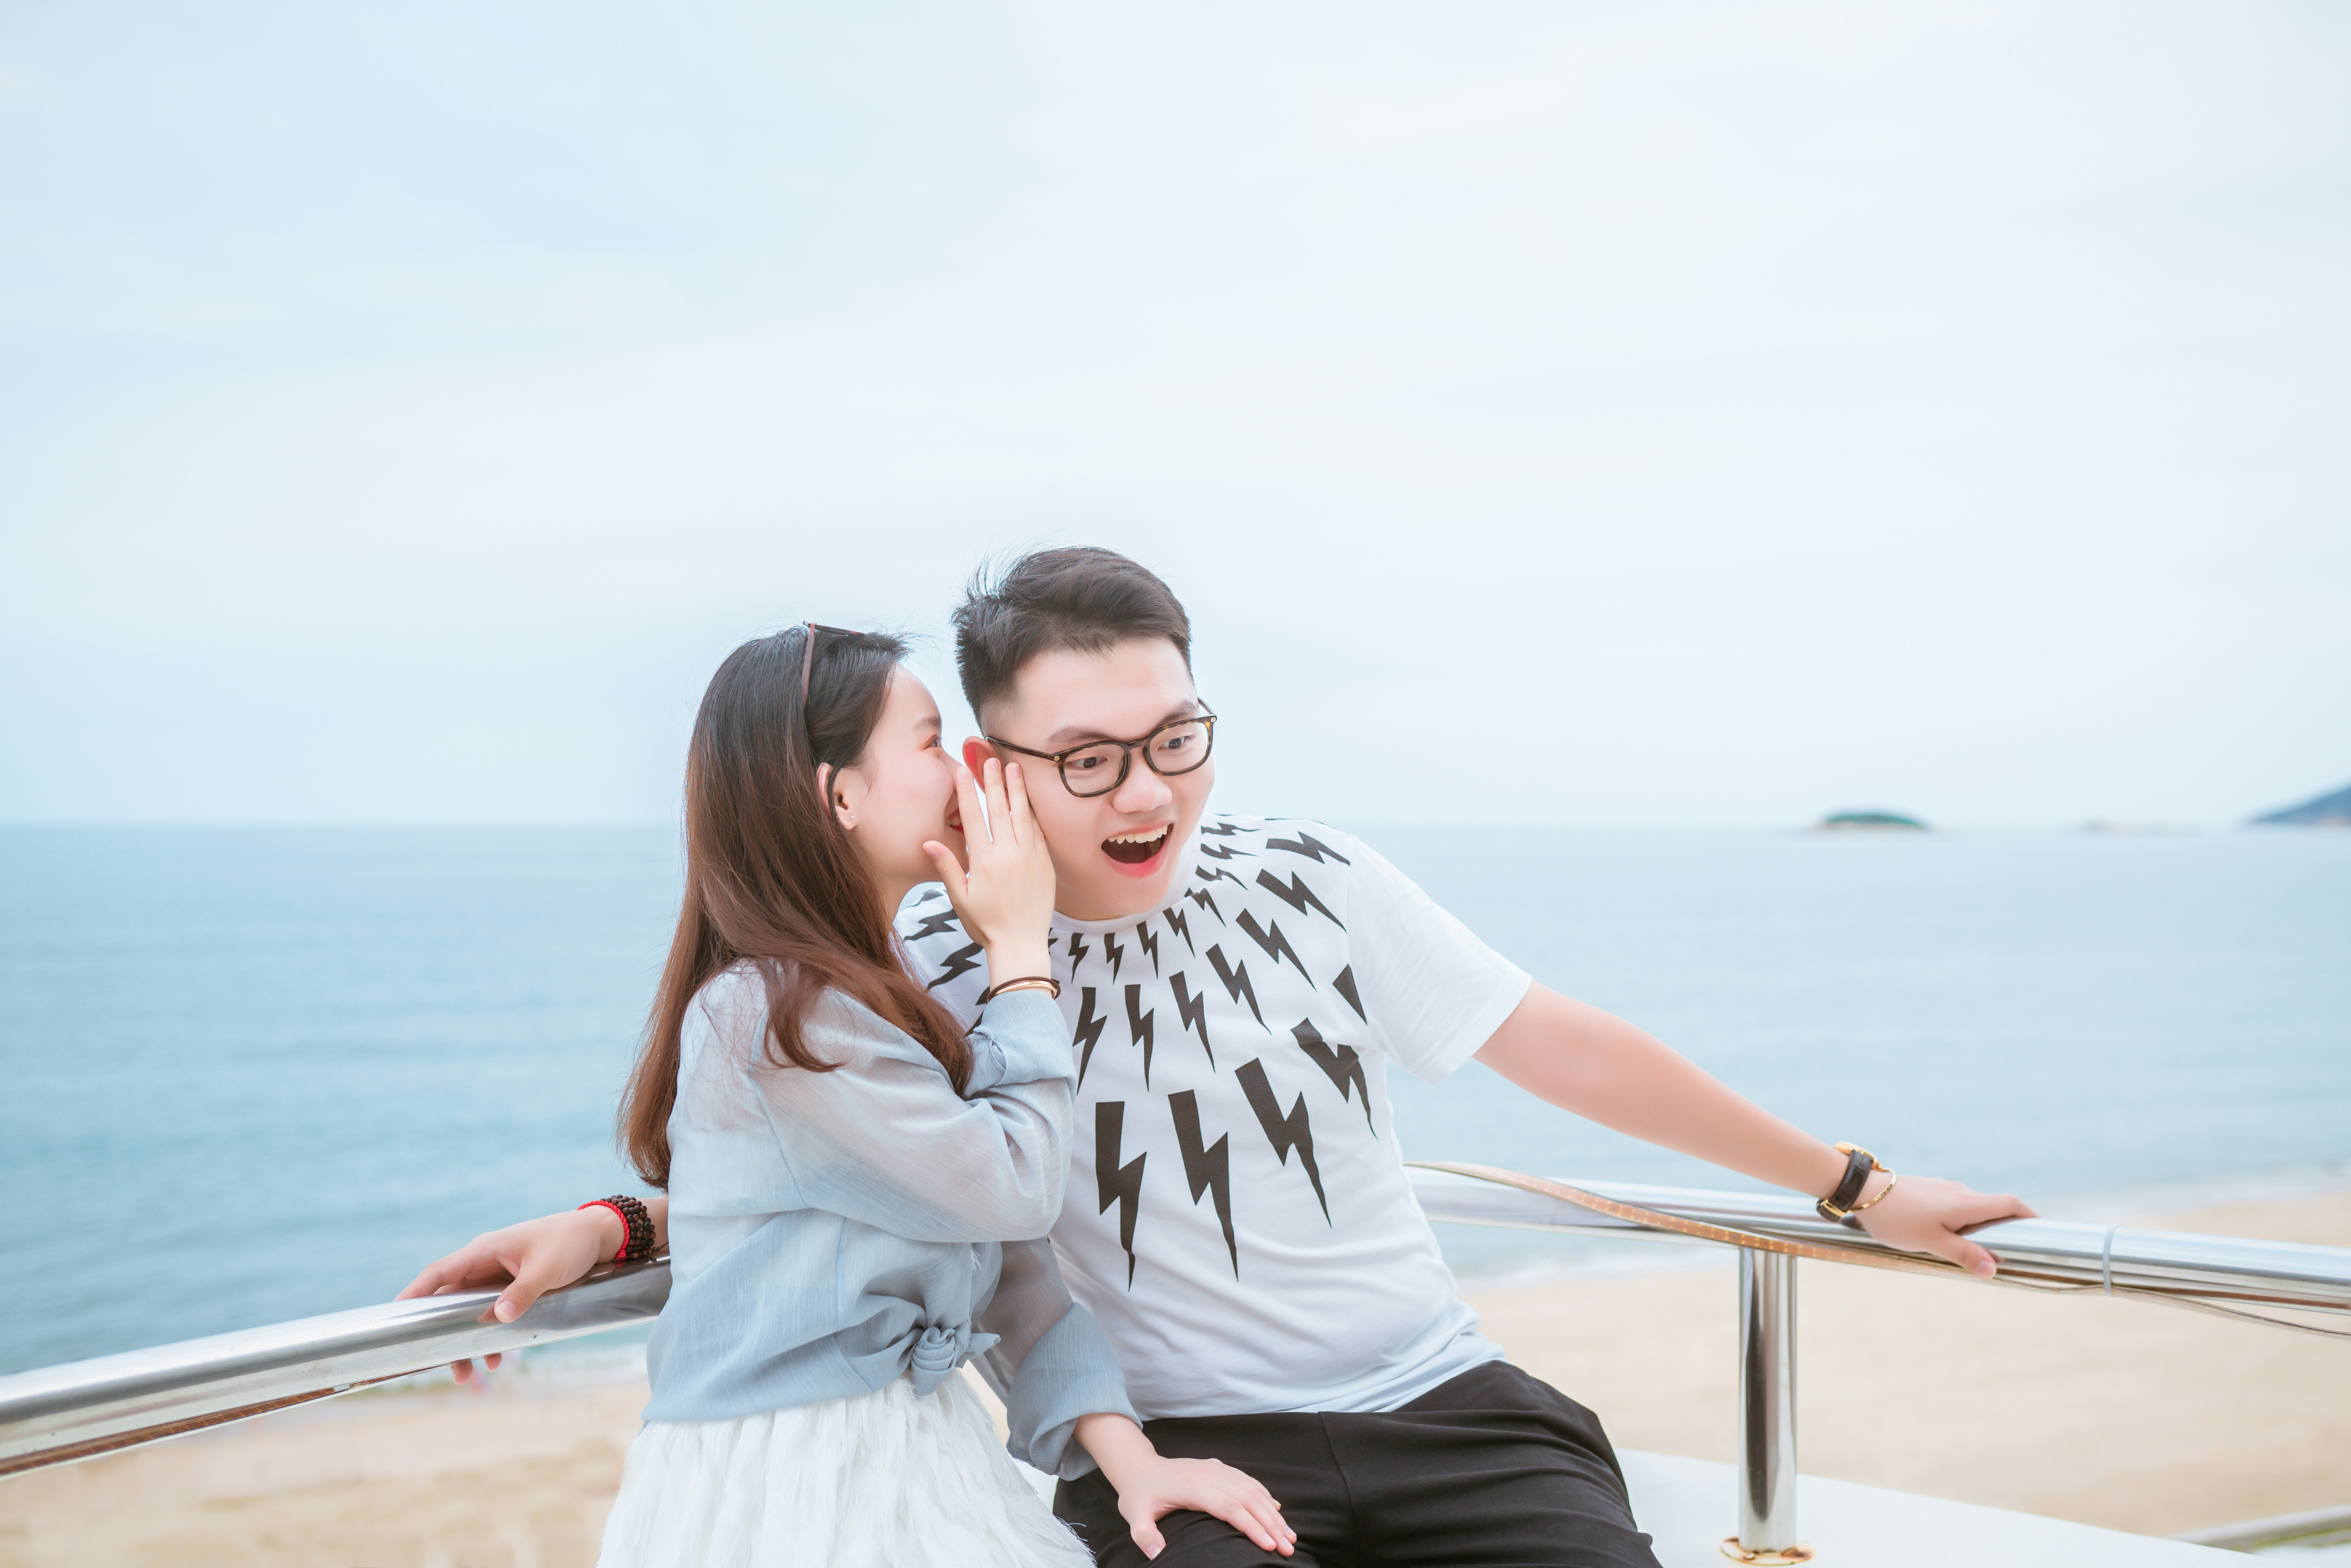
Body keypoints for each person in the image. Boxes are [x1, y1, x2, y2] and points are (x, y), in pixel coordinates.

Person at [422, 553, 2036, 1568]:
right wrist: (629, 1222)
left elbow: (1566, 1045)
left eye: (1180, 736)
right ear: (992, 764)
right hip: (1177, 1446)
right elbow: (817, 1155)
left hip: (1445, 1400)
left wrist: (1857, 1183)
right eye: (1093, 758)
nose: (1152, 793)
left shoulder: (1309, 874)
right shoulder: (934, 961)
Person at [399, 623, 1293, 1568]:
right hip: (796, 1486)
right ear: (841, 797)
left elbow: (992, 1244)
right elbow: (1012, 1189)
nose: (966, 773)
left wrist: (1135, 1463)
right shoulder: (772, 1014)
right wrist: (1023, 960)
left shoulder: (864, 994)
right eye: (931, 741)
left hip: (913, 1454)